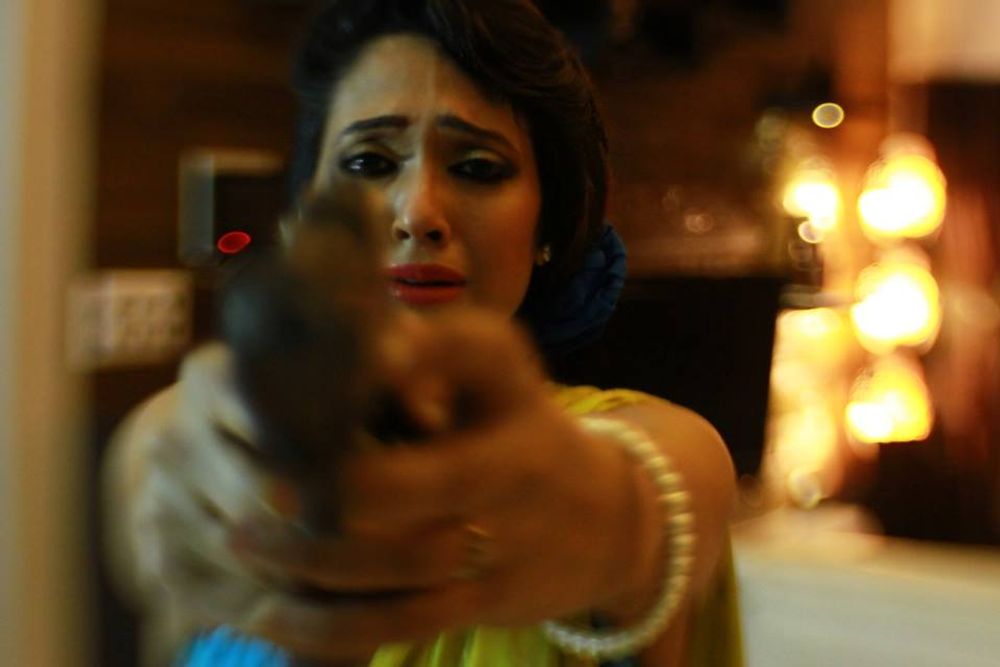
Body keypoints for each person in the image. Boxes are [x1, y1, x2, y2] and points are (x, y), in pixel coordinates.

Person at [103, 1, 742, 665]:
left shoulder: (673, 452)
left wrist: (593, 518)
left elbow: (641, 511)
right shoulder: (180, 436)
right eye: (368, 163)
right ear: (301, 217)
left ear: (545, 229)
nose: (418, 212)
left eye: (478, 167)